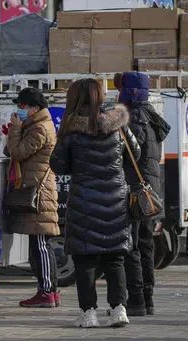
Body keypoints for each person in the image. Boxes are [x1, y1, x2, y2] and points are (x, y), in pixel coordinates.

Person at [50, 79, 140, 328]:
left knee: (85, 259)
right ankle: (118, 309)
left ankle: (89, 313)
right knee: (115, 258)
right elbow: (136, 152)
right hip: (116, 202)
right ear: (101, 96)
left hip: (85, 201)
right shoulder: (118, 124)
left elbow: (57, 164)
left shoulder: (72, 128)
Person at [115, 72, 169, 316]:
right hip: (150, 190)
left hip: (136, 190)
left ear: (131, 92)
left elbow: (130, 154)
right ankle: (148, 299)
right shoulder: (152, 116)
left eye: (122, 88)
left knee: (132, 246)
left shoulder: (135, 117)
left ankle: (136, 300)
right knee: (145, 245)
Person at [4, 87, 60, 308]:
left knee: (41, 244)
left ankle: (46, 291)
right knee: (38, 244)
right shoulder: (35, 126)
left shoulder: (40, 129)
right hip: (37, 189)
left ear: (35, 108)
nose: (20, 110)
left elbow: (18, 153)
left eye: (23, 106)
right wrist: (14, 132)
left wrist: (15, 130)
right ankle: (49, 291)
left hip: (40, 192)